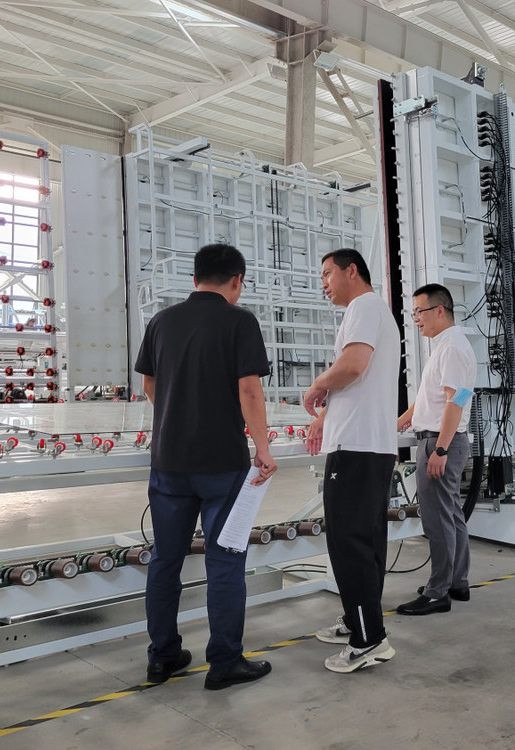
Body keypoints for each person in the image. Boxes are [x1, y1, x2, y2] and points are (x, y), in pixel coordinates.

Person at [134, 243, 278, 690]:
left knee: (165, 560)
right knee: (225, 560)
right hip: (221, 465)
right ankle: (225, 663)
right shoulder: (240, 321)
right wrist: (262, 447)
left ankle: (162, 657)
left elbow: (149, 384)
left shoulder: (161, 321)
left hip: (169, 463)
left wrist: (177, 416)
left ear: (194, 279)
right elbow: (249, 390)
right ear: (237, 280)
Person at [303, 248, 400, 673]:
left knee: (349, 544)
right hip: (371, 444)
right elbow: (361, 378)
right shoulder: (375, 310)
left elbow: (353, 365)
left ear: (352, 271)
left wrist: (317, 386)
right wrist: (327, 414)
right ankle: (359, 619)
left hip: (356, 447)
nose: (323, 283)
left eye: (327, 273)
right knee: (368, 541)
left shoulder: (362, 306)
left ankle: (368, 639)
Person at [395, 284, 477, 616]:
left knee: (438, 520)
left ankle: (437, 592)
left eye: (419, 311)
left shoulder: (452, 347)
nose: (415, 318)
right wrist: (404, 419)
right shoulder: (448, 345)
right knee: (451, 515)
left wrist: (440, 449)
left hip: (441, 441)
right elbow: (442, 395)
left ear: (439, 310)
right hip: (442, 439)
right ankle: (457, 581)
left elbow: (455, 401)